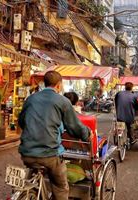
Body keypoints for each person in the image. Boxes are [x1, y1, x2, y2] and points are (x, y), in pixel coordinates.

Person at [18, 71, 90, 200]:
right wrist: (87, 134)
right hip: (49, 155)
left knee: (33, 175)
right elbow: (74, 127)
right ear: (59, 85)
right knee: (61, 187)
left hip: (26, 153)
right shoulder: (62, 101)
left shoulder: (31, 99)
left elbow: (22, 122)